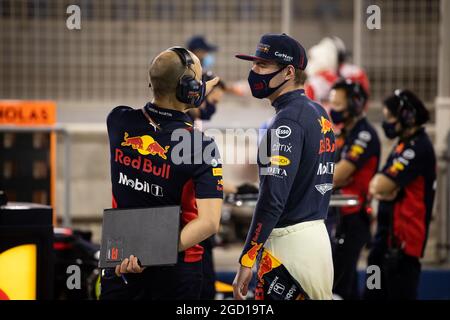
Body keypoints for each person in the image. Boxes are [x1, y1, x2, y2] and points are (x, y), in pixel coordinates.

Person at [101, 46, 224, 300]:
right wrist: (150, 251)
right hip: (177, 268)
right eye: (198, 81)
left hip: (121, 257)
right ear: (189, 89)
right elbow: (210, 222)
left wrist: (189, 97)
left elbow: (163, 116)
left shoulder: (118, 120)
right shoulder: (199, 145)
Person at [232, 33, 335, 300]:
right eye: (254, 64)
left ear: (289, 72)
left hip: (290, 248)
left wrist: (247, 257)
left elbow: (272, 200)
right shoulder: (318, 113)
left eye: (262, 65)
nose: (254, 72)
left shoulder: (284, 124)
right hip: (317, 242)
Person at [364, 89, 436, 300]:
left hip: (402, 252)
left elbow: (382, 185)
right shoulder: (402, 146)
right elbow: (375, 186)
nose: (387, 123)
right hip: (381, 246)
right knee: (372, 294)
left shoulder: (419, 148)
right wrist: (384, 188)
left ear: (407, 116)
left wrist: (385, 188)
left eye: (390, 118)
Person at [328, 79, 380, 299]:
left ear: (355, 104)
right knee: (340, 283)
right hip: (337, 216)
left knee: (341, 283)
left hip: (354, 217)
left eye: (338, 105)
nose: (333, 109)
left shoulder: (364, 134)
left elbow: (338, 174)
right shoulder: (343, 134)